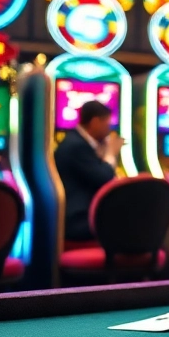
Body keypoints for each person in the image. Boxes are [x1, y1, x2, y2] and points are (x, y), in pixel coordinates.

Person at [55, 100, 123, 241]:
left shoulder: (78, 141)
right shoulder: (76, 146)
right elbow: (104, 177)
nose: (109, 129)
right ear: (95, 122)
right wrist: (110, 154)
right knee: (131, 220)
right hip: (77, 220)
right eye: (107, 124)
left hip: (83, 215)